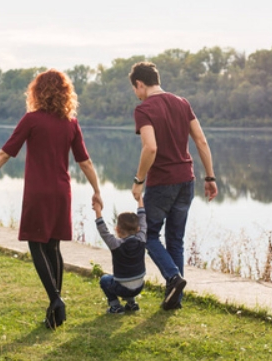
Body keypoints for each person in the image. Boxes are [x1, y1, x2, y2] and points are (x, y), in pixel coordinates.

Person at [0, 69, 102, 330]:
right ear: (66, 94)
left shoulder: (32, 120)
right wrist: (97, 190)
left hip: (38, 192)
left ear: (37, 92)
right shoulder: (71, 123)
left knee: (35, 244)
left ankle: (56, 300)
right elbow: (85, 162)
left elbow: (4, 154)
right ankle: (54, 314)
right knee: (53, 247)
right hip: (61, 192)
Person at [128, 61, 218, 311]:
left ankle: (173, 277)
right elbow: (200, 140)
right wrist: (210, 177)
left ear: (140, 84)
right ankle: (174, 300)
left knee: (147, 235)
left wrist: (139, 180)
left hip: (162, 182)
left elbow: (151, 147)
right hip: (186, 180)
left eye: (135, 89)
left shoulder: (144, 109)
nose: (136, 94)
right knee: (175, 240)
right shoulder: (182, 103)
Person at [92, 195, 146, 314]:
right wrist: (140, 200)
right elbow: (142, 218)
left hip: (123, 288)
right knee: (128, 279)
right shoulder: (142, 239)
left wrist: (98, 211)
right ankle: (132, 304)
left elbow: (103, 231)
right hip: (140, 286)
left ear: (117, 229)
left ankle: (115, 306)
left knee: (105, 280)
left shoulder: (115, 244)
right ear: (138, 229)